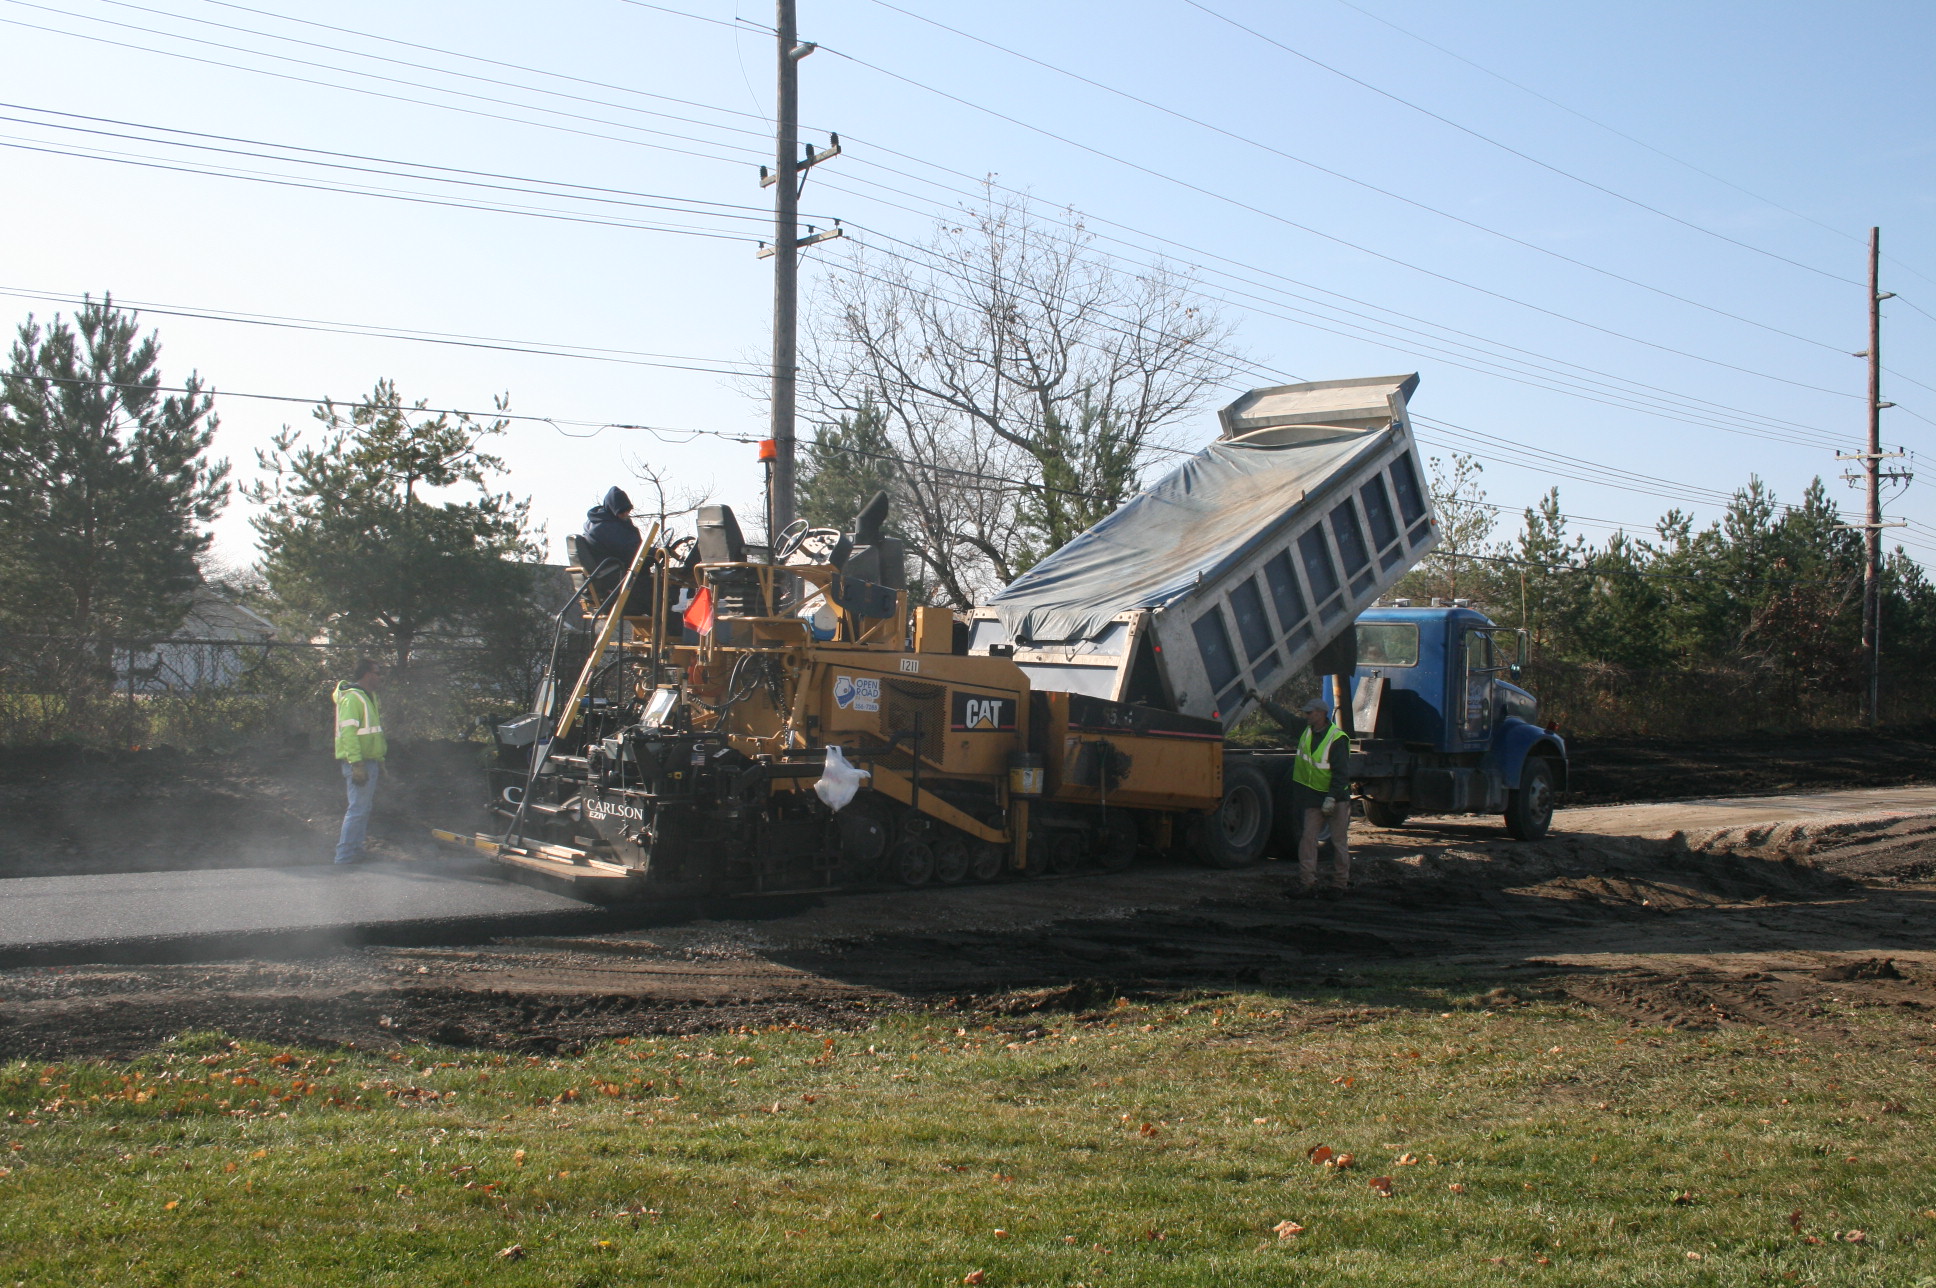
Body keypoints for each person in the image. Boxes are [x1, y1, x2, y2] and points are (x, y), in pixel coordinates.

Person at [1290, 696, 1351, 895]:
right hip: (1314, 798)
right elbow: (1284, 718)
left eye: (1310, 712)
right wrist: (1265, 702)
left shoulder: (1337, 738)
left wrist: (1332, 797)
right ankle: (1307, 882)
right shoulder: (1306, 731)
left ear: (1322, 714)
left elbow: (1341, 773)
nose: (1306, 716)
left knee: (1338, 842)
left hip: (1336, 799)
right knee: (1308, 839)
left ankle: (1339, 884)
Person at [333, 658, 387, 865]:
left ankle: (355, 852)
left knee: (363, 808)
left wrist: (379, 760)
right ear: (367, 674)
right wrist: (356, 763)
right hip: (359, 762)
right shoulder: (353, 698)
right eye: (378, 672)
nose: (380, 676)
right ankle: (344, 857)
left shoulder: (368, 697)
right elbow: (348, 733)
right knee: (357, 808)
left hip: (368, 761)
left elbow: (373, 734)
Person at [582, 486, 641, 566]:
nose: (625, 514)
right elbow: (632, 552)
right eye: (621, 512)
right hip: (616, 570)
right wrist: (656, 552)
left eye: (627, 511)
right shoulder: (607, 528)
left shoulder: (594, 522)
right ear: (613, 510)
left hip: (605, 568)